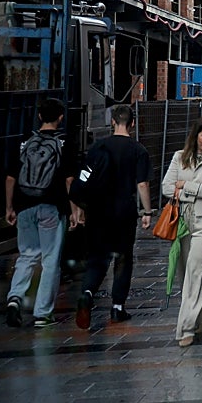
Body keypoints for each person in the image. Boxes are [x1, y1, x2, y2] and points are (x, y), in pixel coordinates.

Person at [4, 98, 78, 328]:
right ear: (60, 118)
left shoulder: (24, 142)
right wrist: (75, 210)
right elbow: (68, 180)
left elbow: (10, 178)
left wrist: (9, 207)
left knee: (26, 255)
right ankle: (42, 313)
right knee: (50, 261)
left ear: (39, 117)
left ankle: (14, 298)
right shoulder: (65, 143)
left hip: (24, 207)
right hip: (51, 208)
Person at [77, 104, 152, 329]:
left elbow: (84, 177)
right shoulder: (138, 150)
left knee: (97, 257)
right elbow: (142, 183)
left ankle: (88, 293)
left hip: (97, 209)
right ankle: (118, 307)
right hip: (124, 210)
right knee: (122, 257)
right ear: (132, 123)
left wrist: (80, 207)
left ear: (112, 122)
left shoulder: (98, 147)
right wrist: (147, 211)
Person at [161, 117, 202, 347]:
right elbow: (167, 187)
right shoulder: (179, 157)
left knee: (196, 271)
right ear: (195, 136)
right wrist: (190, 190)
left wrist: (185, 186)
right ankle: (200, 319)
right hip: (182, 221)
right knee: (184, 274)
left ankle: (185, 328)